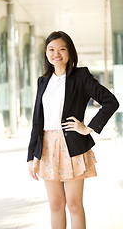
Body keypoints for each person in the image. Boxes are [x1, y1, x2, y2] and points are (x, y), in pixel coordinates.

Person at [27, 31, 119, 229]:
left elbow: (111, 101)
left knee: (74, 205)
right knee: (56, 204)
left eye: (62, 49)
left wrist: (88, 128)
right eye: (51, 49)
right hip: (47, 148)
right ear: (46, 53)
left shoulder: (80, 76)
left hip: (72, 146)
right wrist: (31, 156)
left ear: (70, 52)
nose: (56, 53)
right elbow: (37, 122)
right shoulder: (43, 81)